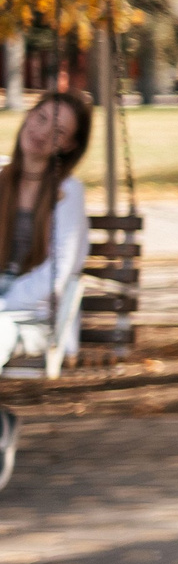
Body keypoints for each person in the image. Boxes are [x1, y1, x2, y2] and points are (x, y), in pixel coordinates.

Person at [0, 89, 93, 483]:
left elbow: (56, 275)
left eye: (57, 131)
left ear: (68, 146)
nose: (41, 133)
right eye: (40, 118)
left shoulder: (68, 193)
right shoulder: (1, 176)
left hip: (33, 314)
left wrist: (3, 303)